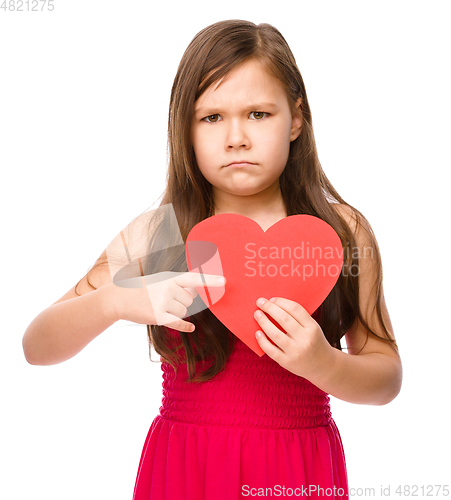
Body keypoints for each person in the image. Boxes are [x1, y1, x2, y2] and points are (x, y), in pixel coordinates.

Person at [22, 19, 403, 500]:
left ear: (297, 118)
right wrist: (115, 301)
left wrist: (324, 364)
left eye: (259, 114)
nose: (236, 137)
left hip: (297, 473)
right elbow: (36, 346)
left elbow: (386, 376)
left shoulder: (341, 232)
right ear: (184, 128)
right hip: (186, 469)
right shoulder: (158, 234)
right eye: (211, 117)